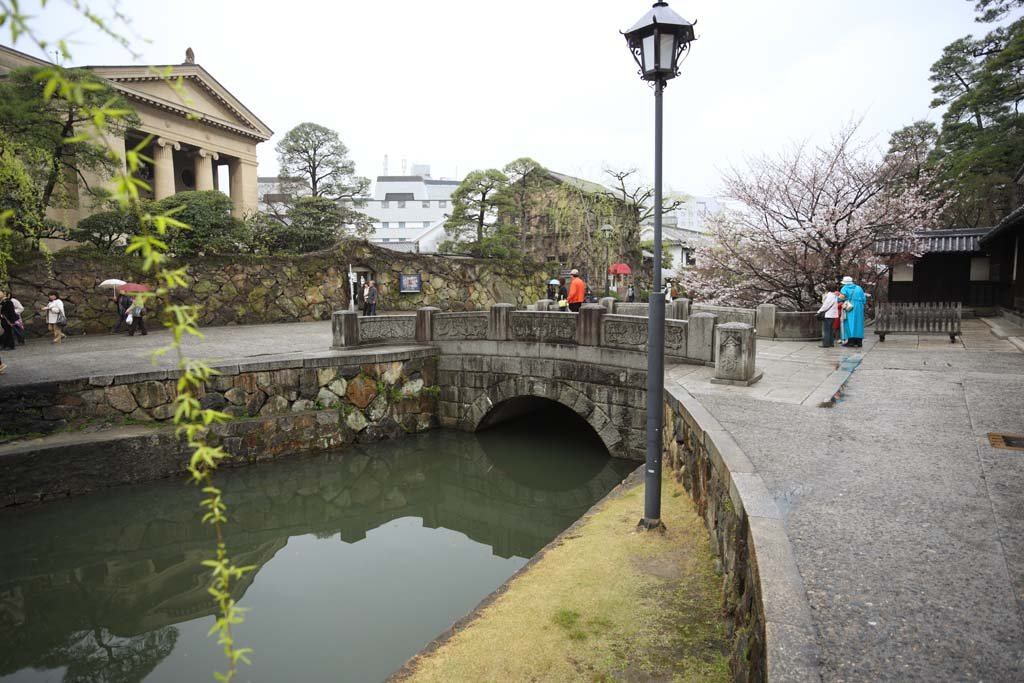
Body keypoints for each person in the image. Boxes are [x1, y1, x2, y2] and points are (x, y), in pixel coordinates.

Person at [838, 275, 866, 347]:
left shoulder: (844, 288)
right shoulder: (859, 288)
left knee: (849, 323)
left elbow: (841, 298)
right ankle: (859, 342)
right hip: (859, 307)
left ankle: (851, 341)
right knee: (859, 323)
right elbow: (864, 299)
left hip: (850, 306)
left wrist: (837, 298)